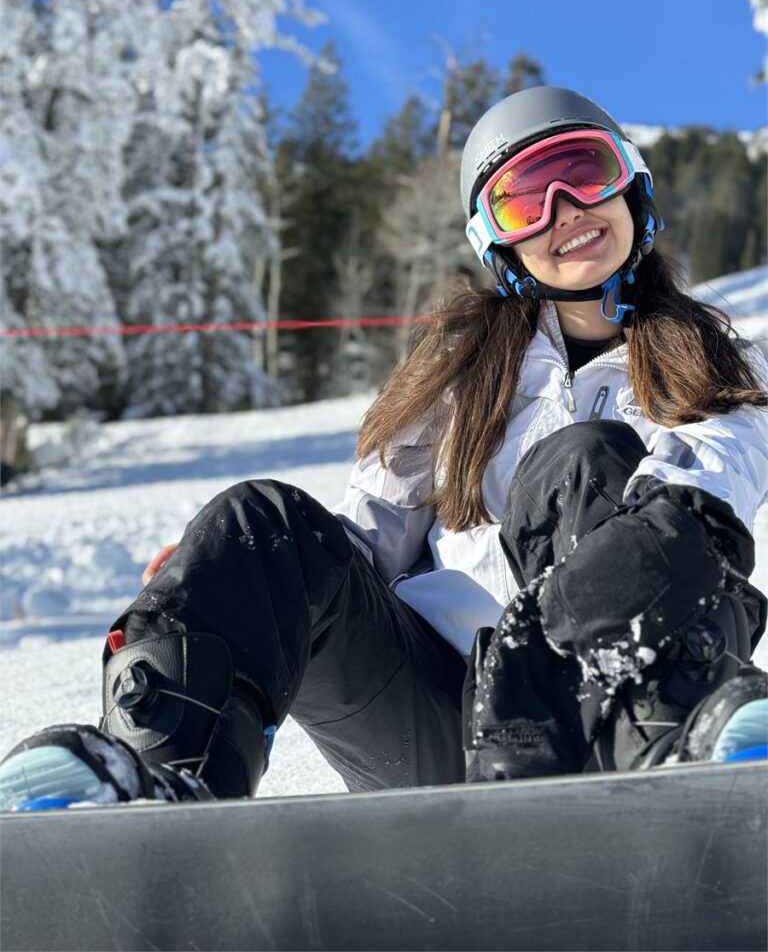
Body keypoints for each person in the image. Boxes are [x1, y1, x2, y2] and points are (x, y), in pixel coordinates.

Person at [1, 86, 767, 810]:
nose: (563, 211)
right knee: (258, 520)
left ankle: (683, 764)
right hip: (441, 720)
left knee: (589, 466)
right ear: (497, 241)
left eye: (581, 173)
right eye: (523, 200)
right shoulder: (466, 370)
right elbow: (365, 543)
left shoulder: (713, 360)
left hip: (610, 715)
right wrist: (237, 572)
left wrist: (642, 527)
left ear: (629, 183)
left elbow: (717, 478)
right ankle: (158, 786)